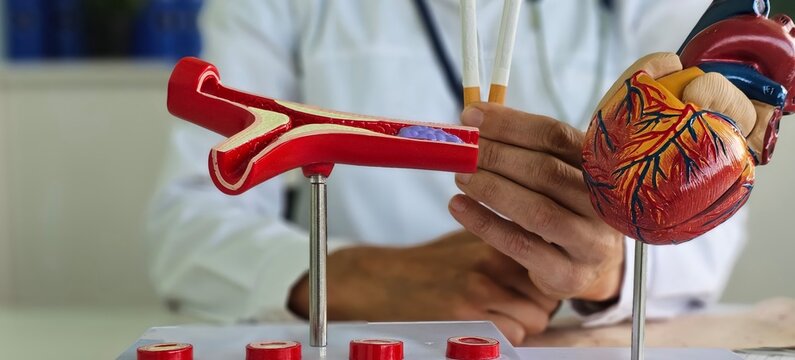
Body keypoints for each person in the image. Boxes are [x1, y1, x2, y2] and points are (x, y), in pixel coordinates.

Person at [147, 0, 746, 344]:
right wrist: (351, 277)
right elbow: (188, 221)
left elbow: (717, 210)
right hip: (373, 338)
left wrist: (609, 264)